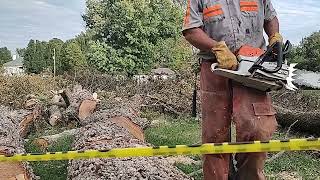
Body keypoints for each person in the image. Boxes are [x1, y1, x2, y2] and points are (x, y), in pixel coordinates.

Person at [182, 0, 283, 179]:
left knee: (259, 128)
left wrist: (274, 36)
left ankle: (247, 176)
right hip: (215, 66)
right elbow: (191, 31)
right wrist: (217, 47)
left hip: (252, 67)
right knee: (215, 135)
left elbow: (270, 18)